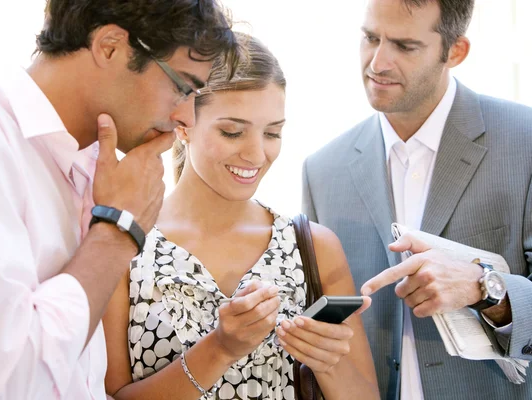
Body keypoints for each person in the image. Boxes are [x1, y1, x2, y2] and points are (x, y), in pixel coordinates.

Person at [0, 1, 240, 399]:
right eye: (183, 87)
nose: (188, 118)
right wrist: (117, 231)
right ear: (110, 46)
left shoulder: (96, 165)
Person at [102, 33, 379, 400]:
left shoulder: (314, 246)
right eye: (232, 132)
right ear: (183, 123)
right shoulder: (125, 245)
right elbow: (108, 395)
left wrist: (328, 361)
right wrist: (220, 348)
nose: (256, 154)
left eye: (272, 133)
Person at [302, 0, 532, 398]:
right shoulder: (322, 170)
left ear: (455, 51)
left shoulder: (524, 141)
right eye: (371, 38)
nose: (377, 63)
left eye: (404, 46)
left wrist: (484, 287)